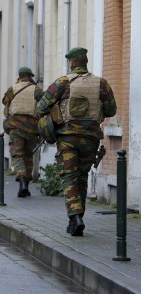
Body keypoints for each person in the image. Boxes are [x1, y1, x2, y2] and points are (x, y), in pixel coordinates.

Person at [37, 47, 116, 236]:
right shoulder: (101, 84)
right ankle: (77, 219)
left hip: (68, 138)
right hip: (91, 138)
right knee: (81, 178)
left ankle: (75, 216)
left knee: (69, 178)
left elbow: (41, 106)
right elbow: (111, 110)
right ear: (85, 62)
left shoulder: (63, 83)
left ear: (71, 63)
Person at [2, 67, 42, 197]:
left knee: (18, 155)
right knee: (28, 156)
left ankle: (22, 180)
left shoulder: (12, 88)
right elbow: (44, 103)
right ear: (30, 76)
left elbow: (5, 101)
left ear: (19, 76)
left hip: (15, 127)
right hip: (32, 128)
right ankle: (26, 185)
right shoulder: (36, 89)